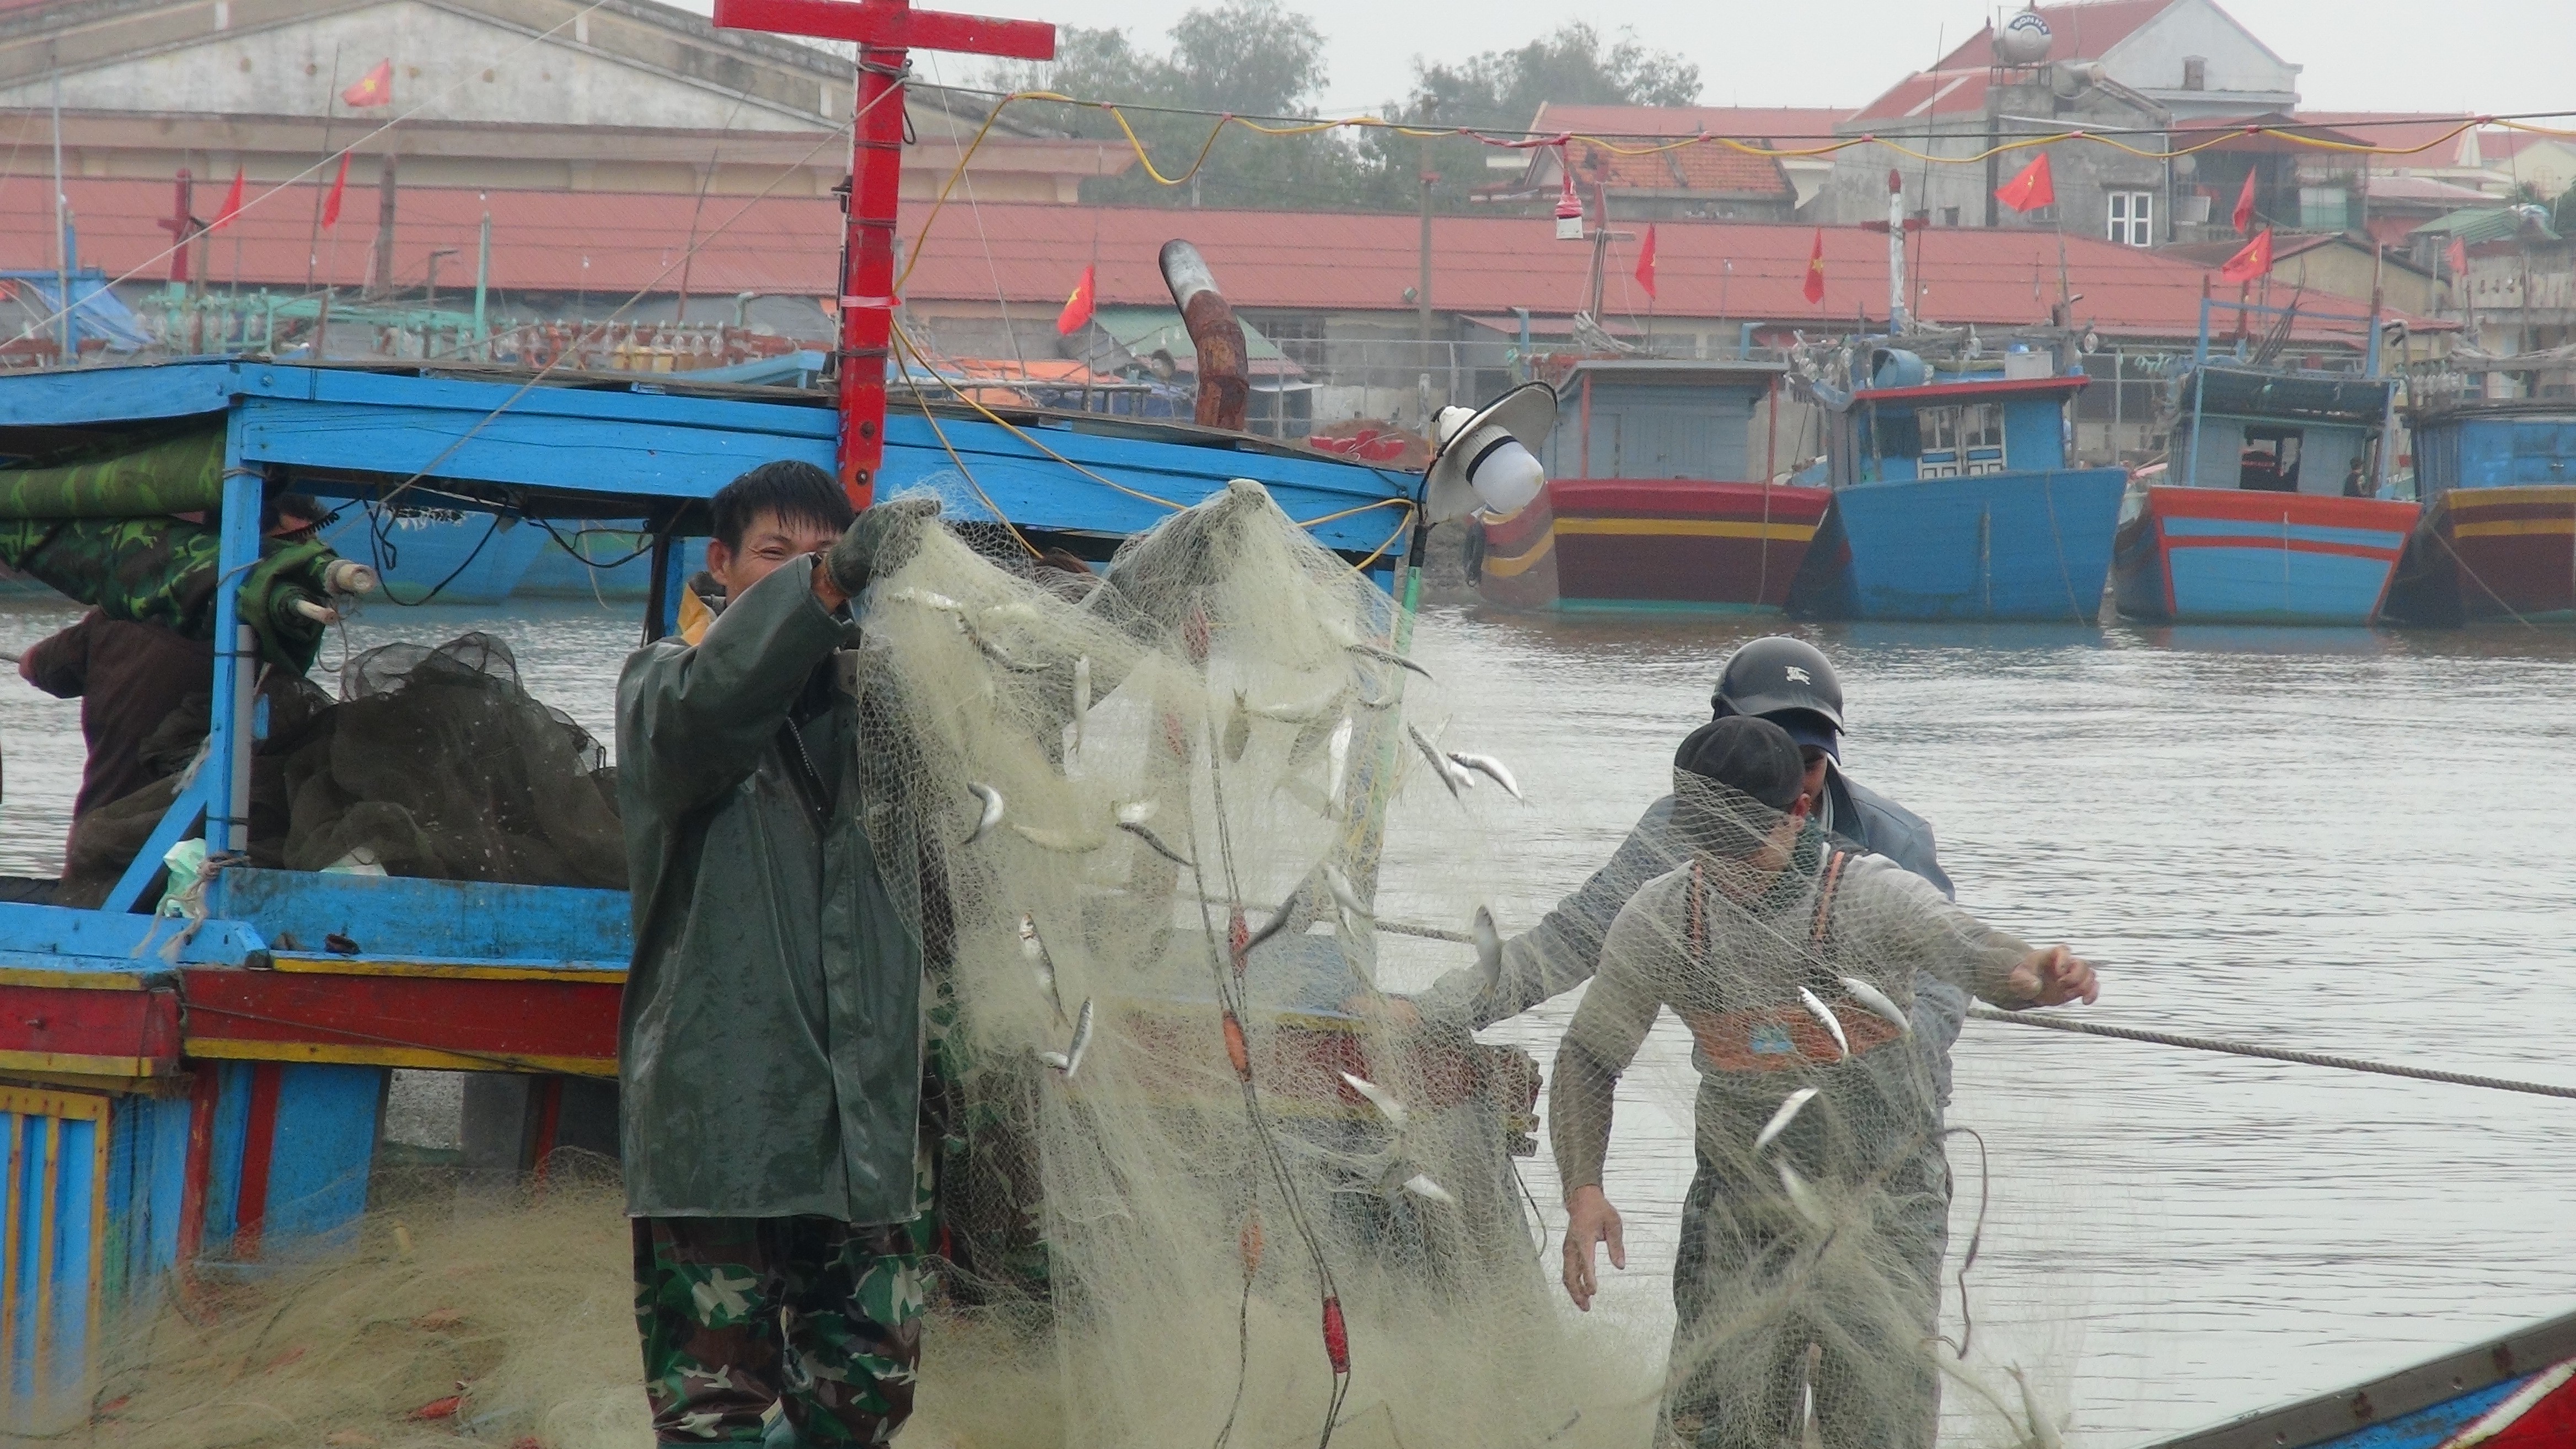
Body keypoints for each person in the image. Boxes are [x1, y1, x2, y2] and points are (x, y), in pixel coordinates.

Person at [1552, 716, 2098, 1448]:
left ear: (1799, 812)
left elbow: (1980, 954)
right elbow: (1589, 1056)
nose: (1724, 869)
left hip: (1884, 1206)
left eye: (1742, 844)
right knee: (1711, 1431)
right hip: (1738, 1211)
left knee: (1874, 1428)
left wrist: (2039, 975)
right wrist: (1584, 1190)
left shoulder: (1870, 897)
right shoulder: (1663, 918)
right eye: (1705, 844)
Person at [616, 459, 943, 1445]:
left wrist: (1146, 599)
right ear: (720, 565)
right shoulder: (660, 691)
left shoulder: (892, 712)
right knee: (713, 1412)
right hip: (726, 1130)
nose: (810, 574)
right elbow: (719, 699)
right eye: (778, 554)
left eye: (825, 554)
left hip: (866, 1133)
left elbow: (1039, 695)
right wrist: (830, 580)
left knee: (864, 1396)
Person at [1411, 638, 1964, 1083]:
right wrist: (1437, 1013)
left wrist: (1885, 1062)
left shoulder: (1895, 839)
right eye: (1769, 756)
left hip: (1879, 1105)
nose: (1788, 785)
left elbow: (1949, 977)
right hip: (1743, 1100)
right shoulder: (1673, 829)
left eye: (1809, 763)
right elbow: (1576, 938)